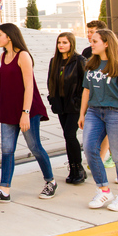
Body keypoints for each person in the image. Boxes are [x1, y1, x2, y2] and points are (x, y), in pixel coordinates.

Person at [0, 23, 57, 203]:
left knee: (35, 147)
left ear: (9, 36)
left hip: (27, 109)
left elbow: (29, 86)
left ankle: (50, 181)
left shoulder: (23, 56)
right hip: (8, 110)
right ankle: (4, 190)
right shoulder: (3, 56)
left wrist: (25, 112)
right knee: (7, 150)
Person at [78, 28, 118, 211]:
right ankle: (103, 190)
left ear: (106, 43)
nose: (91, 43)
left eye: (95, 41)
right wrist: (82, 114)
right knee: (89, 148)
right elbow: (86, 91)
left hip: (117, 113)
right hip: (95, 112)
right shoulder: (91, 64)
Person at [46, 32, 87, 184]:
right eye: (59, 42)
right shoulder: (54, 61)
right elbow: (50, 81)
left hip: (75, 105)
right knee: (67, 136)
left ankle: (78, 168)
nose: (61, 45)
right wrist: (52, 99)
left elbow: (85, 84)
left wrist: (80, 102)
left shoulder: (79, 60)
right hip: (60, 105)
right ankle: (73, 168)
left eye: (64, 42)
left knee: (70, 135)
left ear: (71, 44)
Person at [81, 20, 114, 169]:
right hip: (92, 99)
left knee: (107, 130)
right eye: (88, 32)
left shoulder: (113, 55)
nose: (89, 35)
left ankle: (101, 157)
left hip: (109, 101)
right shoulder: (87, 53)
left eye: (92, 32)